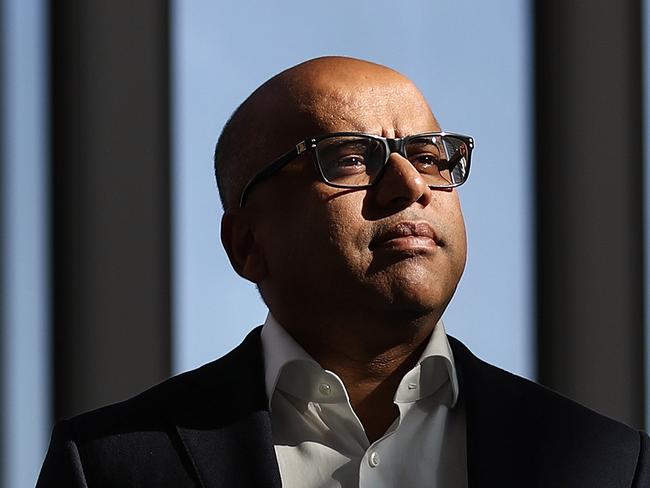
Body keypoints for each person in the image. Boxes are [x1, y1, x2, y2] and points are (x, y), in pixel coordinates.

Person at [37, 56, 649, 487]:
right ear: (247, 243)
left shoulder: (611, 466)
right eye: (352, 158)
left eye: (430, 156)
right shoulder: (108, 464)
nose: (411, 186)